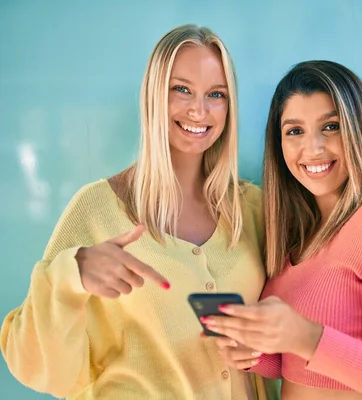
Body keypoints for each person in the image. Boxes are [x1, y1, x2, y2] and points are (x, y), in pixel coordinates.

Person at [0, 24, 278, 400]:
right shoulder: (96, 208)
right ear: (153, 96)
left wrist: (260, 351)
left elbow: (287, 332)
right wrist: (73, 273)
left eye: (216, 94)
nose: (199, 109)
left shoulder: (253, 208)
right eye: (181, 90)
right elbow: (29, 362)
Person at [205, 60, 362, 400]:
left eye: (331, 126)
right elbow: (301, 365)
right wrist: (255, 353)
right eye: (295, 131)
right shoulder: (295, 237)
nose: (313, 148)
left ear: (359, 129)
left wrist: (307, 336)